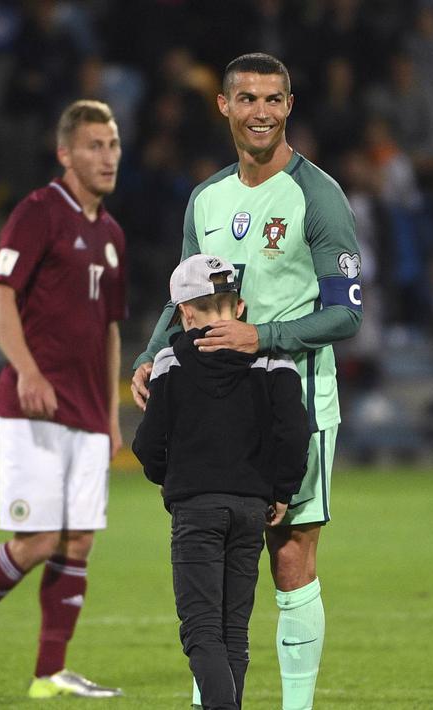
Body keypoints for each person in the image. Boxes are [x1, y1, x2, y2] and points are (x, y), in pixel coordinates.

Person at [130, 53, 362, 710]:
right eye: (248, 99)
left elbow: (347, 313)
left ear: (289, 106)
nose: (261, 112)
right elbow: (181, 293)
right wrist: (152, 352)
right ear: (224, 106)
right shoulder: (207, 198)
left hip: (294, 400)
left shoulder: (317, 195)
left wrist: (263, 336)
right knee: (208, 571)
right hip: (212, 408)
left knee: (290, 556)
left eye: (273, 100)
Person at [0, 100, 126, 699]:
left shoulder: (112, 235)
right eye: (94, 146)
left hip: (88, 412)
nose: (108, 157)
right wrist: (27, 372)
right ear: (65, 153)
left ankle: (49, 674)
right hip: (34, 406)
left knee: (79, 540)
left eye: (113, 145)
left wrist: (111, 415)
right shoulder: (39, 211)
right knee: (38, 539)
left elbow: (110, 330)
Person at [132, 254, 310, 710]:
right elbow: (294, 433)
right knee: (234, 631)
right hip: (252, 508)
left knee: (201, 631)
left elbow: (148, 444)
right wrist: (281, 491)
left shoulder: (171, 359)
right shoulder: (274, 359)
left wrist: (169, 478)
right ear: (239, 306)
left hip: (196, 509)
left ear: (185, 313)